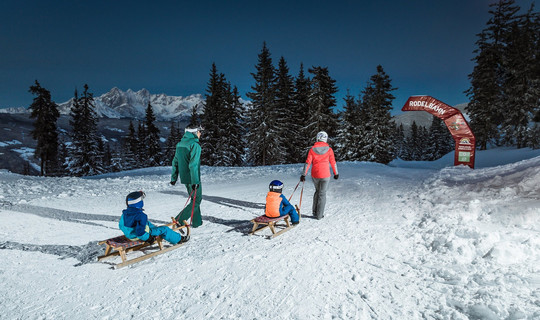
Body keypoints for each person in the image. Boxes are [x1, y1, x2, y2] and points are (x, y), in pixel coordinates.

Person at [119, 191, 189, 244]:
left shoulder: (125, 213)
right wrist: (149, 238)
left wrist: (129, 232)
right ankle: (179, 239)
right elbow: (140, 233)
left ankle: (154, 229)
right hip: (137, 236)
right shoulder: (141, 216)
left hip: (129, 235)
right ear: (139, 203)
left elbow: (121, 225)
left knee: (146, 223)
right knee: (165, 229)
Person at [300, 131, 339, 220]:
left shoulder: (312, 150)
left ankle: (314, 212)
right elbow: (333, 162)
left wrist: (303, 174)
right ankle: (319, 215)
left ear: (317, 138)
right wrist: (336, 173)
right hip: (325, 175)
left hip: (315, 174)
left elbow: (308, 162)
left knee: (317, 192)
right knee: (322, 194)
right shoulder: (329, 150)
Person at [170, 126, 203, 228]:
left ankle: (197, 222)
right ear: (194, 133)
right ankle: (179, 220)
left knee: (194, 200)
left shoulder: (180, 144)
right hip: (193, 178)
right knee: (197, 200)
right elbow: (193, 165)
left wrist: (174, 178)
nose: (200, 133)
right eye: (199, 131)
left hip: (185, 178)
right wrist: (195, 182)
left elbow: (175, 162)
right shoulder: (195, 145)